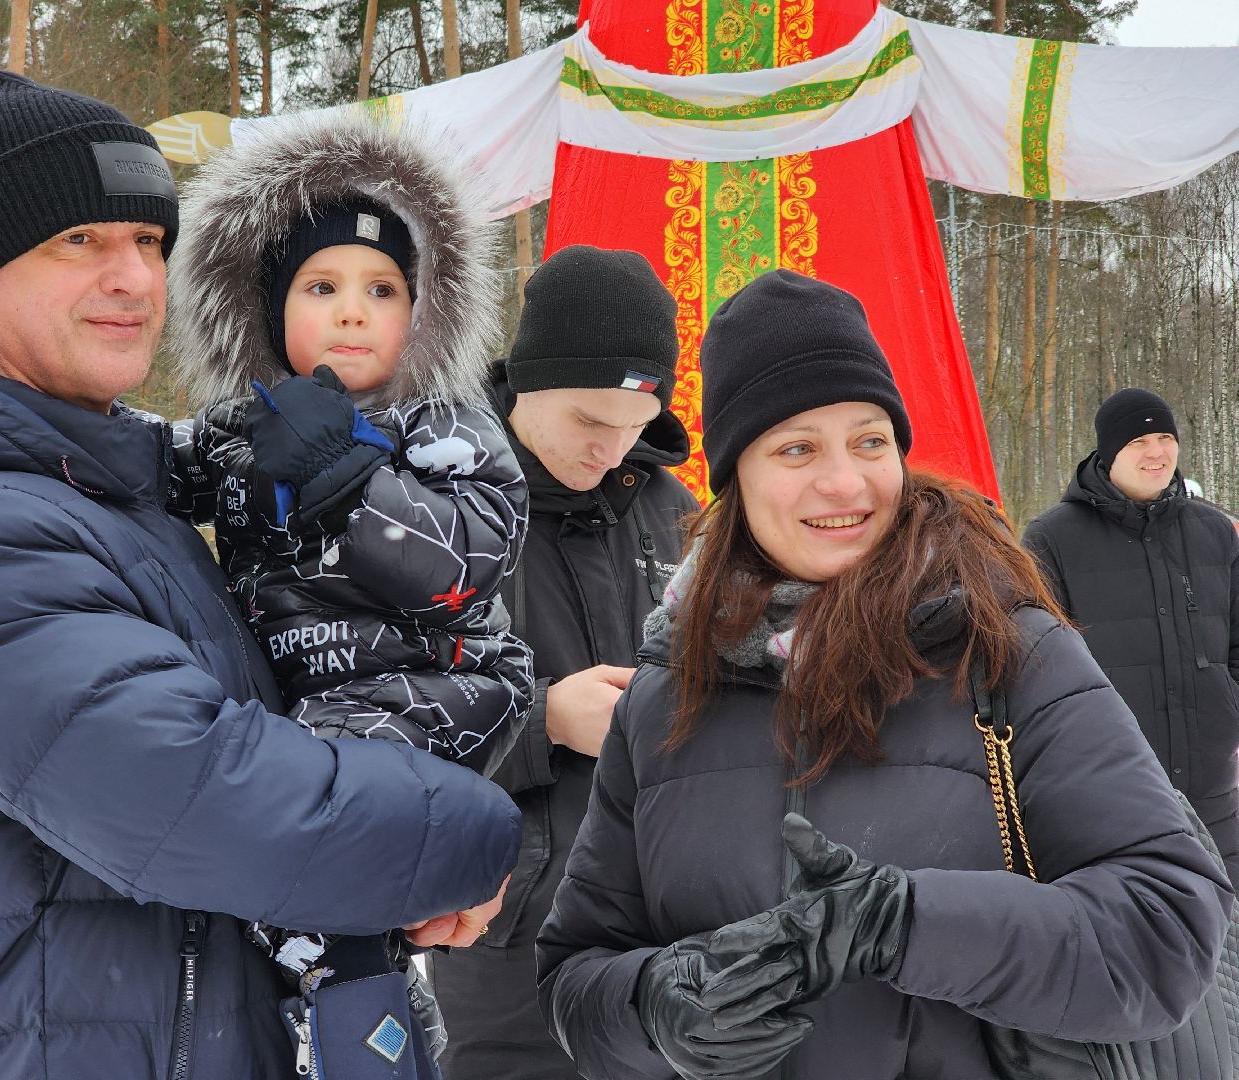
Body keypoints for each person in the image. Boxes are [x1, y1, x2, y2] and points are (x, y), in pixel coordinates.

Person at [0, 71, 518, 1080]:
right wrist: (465, 833)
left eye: (148, 242)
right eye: (80, 241)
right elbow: (206, 794)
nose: (136, 278)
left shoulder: (112, 494)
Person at [534, 270, 1232, 1079]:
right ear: (736, 480)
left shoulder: (1010, 649)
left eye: (869, 440)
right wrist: (657, 1007)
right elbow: (574, 975)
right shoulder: (666, 694)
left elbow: (1168, 930)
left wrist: (906, 923)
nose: (846, 482)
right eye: (797, 448)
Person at [163, 111, 532, 1044]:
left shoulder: (439, 424)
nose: (354, 310)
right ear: (268, 308)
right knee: (276, 817)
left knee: (313, 815)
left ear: (424, 312)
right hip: (315, 702)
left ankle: (366, 1006)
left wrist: (347, 484)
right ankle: (329, 1003)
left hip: (438, 682)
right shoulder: (241, 433)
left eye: (383, 288)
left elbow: (472, 557)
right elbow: (146, 466)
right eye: (322, 286)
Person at [429, 244, 700, 1080]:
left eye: (634, 428)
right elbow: (376, 726)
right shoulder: (437, 508)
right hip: (509, 932)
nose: (613, 453)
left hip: (675, 920)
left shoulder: (672, 509)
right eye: (590, 423)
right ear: (530, 381)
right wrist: (541, 720)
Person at [1024, 388, 1239, 885]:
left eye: (1165, 437)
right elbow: (1030, 661)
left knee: (1222, 944)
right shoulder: (1053, 538)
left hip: (1213, 794)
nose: (1157, 452)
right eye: (1139, 440)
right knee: (1131, 938)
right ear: (1109, 452)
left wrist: (1227, 704)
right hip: (1107, 792)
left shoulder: (1215, 533)